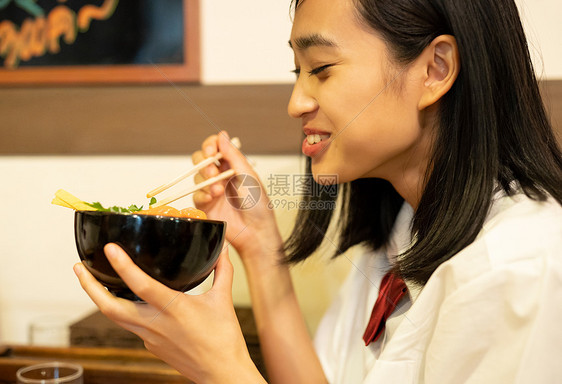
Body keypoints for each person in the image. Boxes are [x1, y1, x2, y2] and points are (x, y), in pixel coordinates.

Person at [74, 0, 562, 382]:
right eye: (297, 72)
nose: (296, 102)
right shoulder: (404, 226)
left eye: (322, 69)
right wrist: (261, 247)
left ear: (434, 70)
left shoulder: (520, 268)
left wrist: (220, 369)